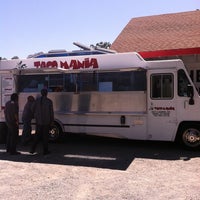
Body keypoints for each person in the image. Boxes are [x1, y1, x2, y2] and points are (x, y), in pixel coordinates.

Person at [30, 89, 54, 155]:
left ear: (41, 93)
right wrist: (52, 121)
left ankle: (32, 149)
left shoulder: (37, 101)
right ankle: (45, 151)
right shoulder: (49, 101)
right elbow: (51, 112)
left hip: (39, 121)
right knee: (45, 137)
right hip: (46, 121)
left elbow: (32, 108)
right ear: (46, 93)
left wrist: (35, 114)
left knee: (37, 136)